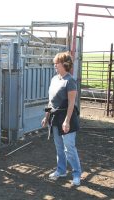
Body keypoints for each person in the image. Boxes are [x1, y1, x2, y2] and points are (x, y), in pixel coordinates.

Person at [41, 51, 82, 186]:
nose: (55, 66)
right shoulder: (54, 79)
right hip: (55, 118)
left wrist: (67, 121)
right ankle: (61, 170)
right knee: (59, 147)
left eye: (56, 63)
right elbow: (50, 102)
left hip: (67, 117)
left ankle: (76, 174)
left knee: (69, 147)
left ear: (64, 64)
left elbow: (71, 103)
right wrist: (46, 116)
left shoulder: (70, 81)